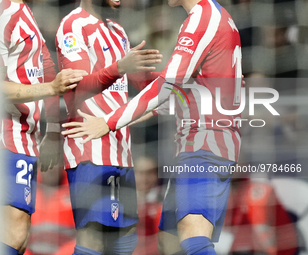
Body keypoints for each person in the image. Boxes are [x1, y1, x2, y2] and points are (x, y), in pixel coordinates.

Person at [62, 0, 243, 254]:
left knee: (194, 238)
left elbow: (166, 86)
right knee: (168, 242)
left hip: (205, 143)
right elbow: (184, 91)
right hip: (193, 143)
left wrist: (108, 121)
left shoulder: (203, 18)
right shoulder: (216, 15)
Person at [55, 0, 163, 254]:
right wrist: (119, 67)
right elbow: (78, 88)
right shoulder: (73, 25)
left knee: (124, 238)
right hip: (88, 145)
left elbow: (145, 83)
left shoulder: (117, 30)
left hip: (120, 148)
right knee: (93, 238)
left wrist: (200, 82)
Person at [0, 0, 89, 254]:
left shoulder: (24, 13)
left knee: (19, 236)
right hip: (1, 135)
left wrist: (54, 132)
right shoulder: (0, 13)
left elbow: (47, 69)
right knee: (12, 233)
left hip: (25, 137)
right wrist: (50, 89)